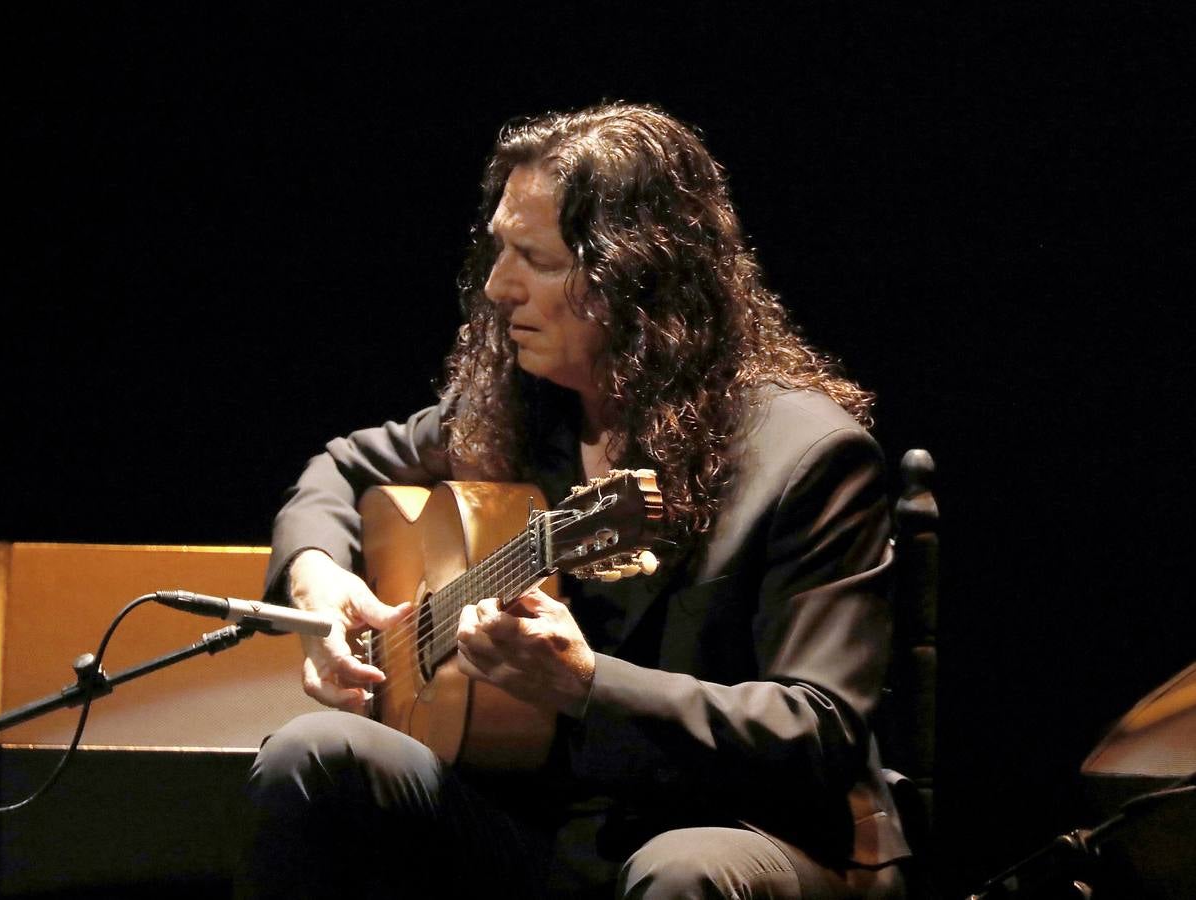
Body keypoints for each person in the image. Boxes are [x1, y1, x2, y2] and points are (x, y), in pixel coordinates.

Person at [242, 102, 910, 899]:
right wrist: (318, 577)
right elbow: (340, 470)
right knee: (312, 755)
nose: (497, 287)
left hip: (735, 831)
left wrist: (588, 684)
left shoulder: (803, 456)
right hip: (537, 822)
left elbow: (818, 729)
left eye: (535, 258)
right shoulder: (522, 412)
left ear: (639, 273)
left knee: (681, 874)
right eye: (498, 251)